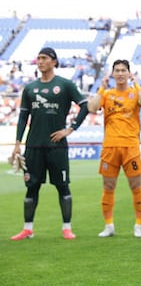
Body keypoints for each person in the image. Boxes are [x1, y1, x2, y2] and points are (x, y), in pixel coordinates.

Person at [10, 47, 89, 240]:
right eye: (38, 58)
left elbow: (85, 106)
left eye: (44, 58)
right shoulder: (30, 88)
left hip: (57, 146)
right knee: (32, 187)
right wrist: (18, 143)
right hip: (33, 146)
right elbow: (23, 117)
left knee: (62, 186)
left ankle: (67, 228)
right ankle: (27, 229)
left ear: (54, 61)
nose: (40, 61)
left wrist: (70, 129)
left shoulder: (65, 85)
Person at [88, 59, 141, 238]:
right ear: (113, 74)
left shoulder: (135, 93)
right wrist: (101, 88)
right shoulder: (107, 94)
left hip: (131, 147)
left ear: (129, 73)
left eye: (123, 70)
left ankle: (139, 225)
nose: (120, 73)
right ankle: (109, 226)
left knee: (136, 186)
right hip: (110, 147)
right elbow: (92, 108)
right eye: (117, 70)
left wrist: (137, 84)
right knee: (108, 186)